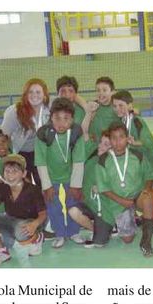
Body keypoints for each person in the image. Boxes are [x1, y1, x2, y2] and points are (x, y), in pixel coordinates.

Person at [86, 122, 153, 257]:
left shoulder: (137, 155)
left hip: (137, 196)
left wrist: (147, 189)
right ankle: (136, 218)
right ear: (110, 140)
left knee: (148, 198)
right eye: (114, 138)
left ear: (127, 138)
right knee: (127, 239)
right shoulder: (103, 160)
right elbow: (103, 188)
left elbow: (149, 175)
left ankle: (146, 242)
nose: (118, 142)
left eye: (121, 137)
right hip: (118, 202)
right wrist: (122, 201)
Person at [34, 96, 89, 248]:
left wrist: (76, 185)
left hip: (71, 176)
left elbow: (78, 161)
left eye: (66, 118)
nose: (61, 123)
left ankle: (74, 232)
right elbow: (41, 162)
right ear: (50, 118)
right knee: (54, 206)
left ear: (72, 119)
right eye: (57, 118)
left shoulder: (76, 133)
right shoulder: (42, 134)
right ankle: (60, 234)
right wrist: (47, 186)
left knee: (73, 203)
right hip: (51, 178)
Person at [0, 153, 46, 269]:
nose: (10, 175)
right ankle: (2, 252)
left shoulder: (33, 190)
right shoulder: (3, 187)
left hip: (29, 221)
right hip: (11, 220)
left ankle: (37, 237)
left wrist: (34, 224)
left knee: (20, 234)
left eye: (15, 171)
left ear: (24, 174)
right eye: (7, 171)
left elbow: (43, 214)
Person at [0, 78, 50, 182]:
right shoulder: (14, 112)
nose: (34, 95)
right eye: (30, 92)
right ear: (25, 94)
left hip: (39, 153)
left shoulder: (48, 109)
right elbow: (3, 136)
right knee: (22, 188)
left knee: (42, 184)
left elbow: (68, 98)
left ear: (44, 94)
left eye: (38, 92)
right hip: (20, 153)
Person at [111, 90, 153, 184]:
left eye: (121, 105)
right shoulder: (121, 121)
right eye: (115, 106)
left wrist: (135, 142)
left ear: (130, 105)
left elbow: (148, 141)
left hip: (150, 164)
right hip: (136, 164)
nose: (117, 108)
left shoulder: (137, 121)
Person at [82, 76, 122, 146]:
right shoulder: (93, 107)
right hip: (94, 148)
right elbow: (84, 129)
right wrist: (89, 113)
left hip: (112, 147)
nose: (101, 93)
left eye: (104, 90)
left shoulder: (117, 108)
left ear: (112, 92)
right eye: (98, 90)